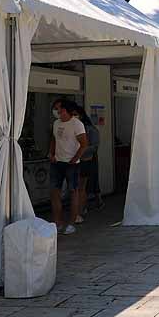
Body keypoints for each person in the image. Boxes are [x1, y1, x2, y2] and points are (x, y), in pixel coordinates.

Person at [49, 98, 88, 235]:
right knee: (55, 192)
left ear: (64, 110)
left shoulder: (77, 124)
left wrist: (75, 159)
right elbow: (54, 139)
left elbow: (84, 143)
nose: (57, 110)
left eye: (58, 108)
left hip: (72, 165)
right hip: (57, 163)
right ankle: (57, 222)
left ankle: (72, 222)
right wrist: (51, 153)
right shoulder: (56, 123)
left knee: (73, 192)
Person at [74, 106, 103, 219]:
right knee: (77, 187)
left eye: (76, 114)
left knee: (86, 185)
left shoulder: (90, 129)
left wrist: (79, 152)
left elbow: (94, 146)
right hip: (75, 160)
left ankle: (82, 209)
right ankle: (79, 208)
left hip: (87, 159)